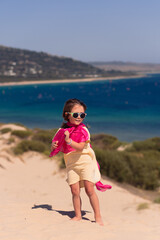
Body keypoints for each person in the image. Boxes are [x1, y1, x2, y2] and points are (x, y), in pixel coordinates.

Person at [50, 98, 111, 226]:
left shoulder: (83, 130)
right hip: (71, 164)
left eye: (82, 115)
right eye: (76, 114)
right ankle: (78, 215)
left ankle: (98, 216)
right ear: (67, 115)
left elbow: (81, 147)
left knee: (89, 190)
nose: (79, 117)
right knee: (75, 191)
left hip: (85, 162)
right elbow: (57, 146)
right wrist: (54, 146)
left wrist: (69, 141)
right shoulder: (61, 131)